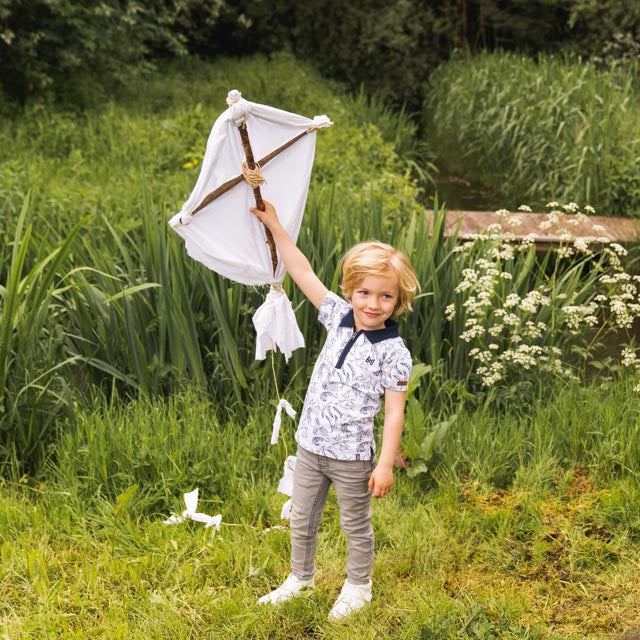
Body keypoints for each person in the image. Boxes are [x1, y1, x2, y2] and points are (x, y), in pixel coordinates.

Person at [252, 201, 418, 620]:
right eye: (364, 292)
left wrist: (384, 465)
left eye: (385, 296)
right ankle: (300, 579)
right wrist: (275, 226)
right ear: (350, 291)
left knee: (354, 525)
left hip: (352, 456)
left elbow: (395, 413)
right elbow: (303, 272)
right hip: (310, 445)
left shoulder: (395, 353)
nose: (373, 303)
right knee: (302, 516)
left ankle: (359, 585)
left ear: (398, 300)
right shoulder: (338, 317)